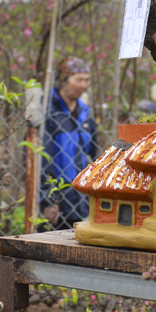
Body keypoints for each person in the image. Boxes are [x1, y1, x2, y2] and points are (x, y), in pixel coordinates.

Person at [40, 56, 99, 230]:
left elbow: (93, 156)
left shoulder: (85, 113)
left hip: (82, 199)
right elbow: (42, 162)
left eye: (87, 80)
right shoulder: (47, 110)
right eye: (79, 79)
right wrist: (49, 202)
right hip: (57, 200)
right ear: (64, 80)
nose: (84, 85)